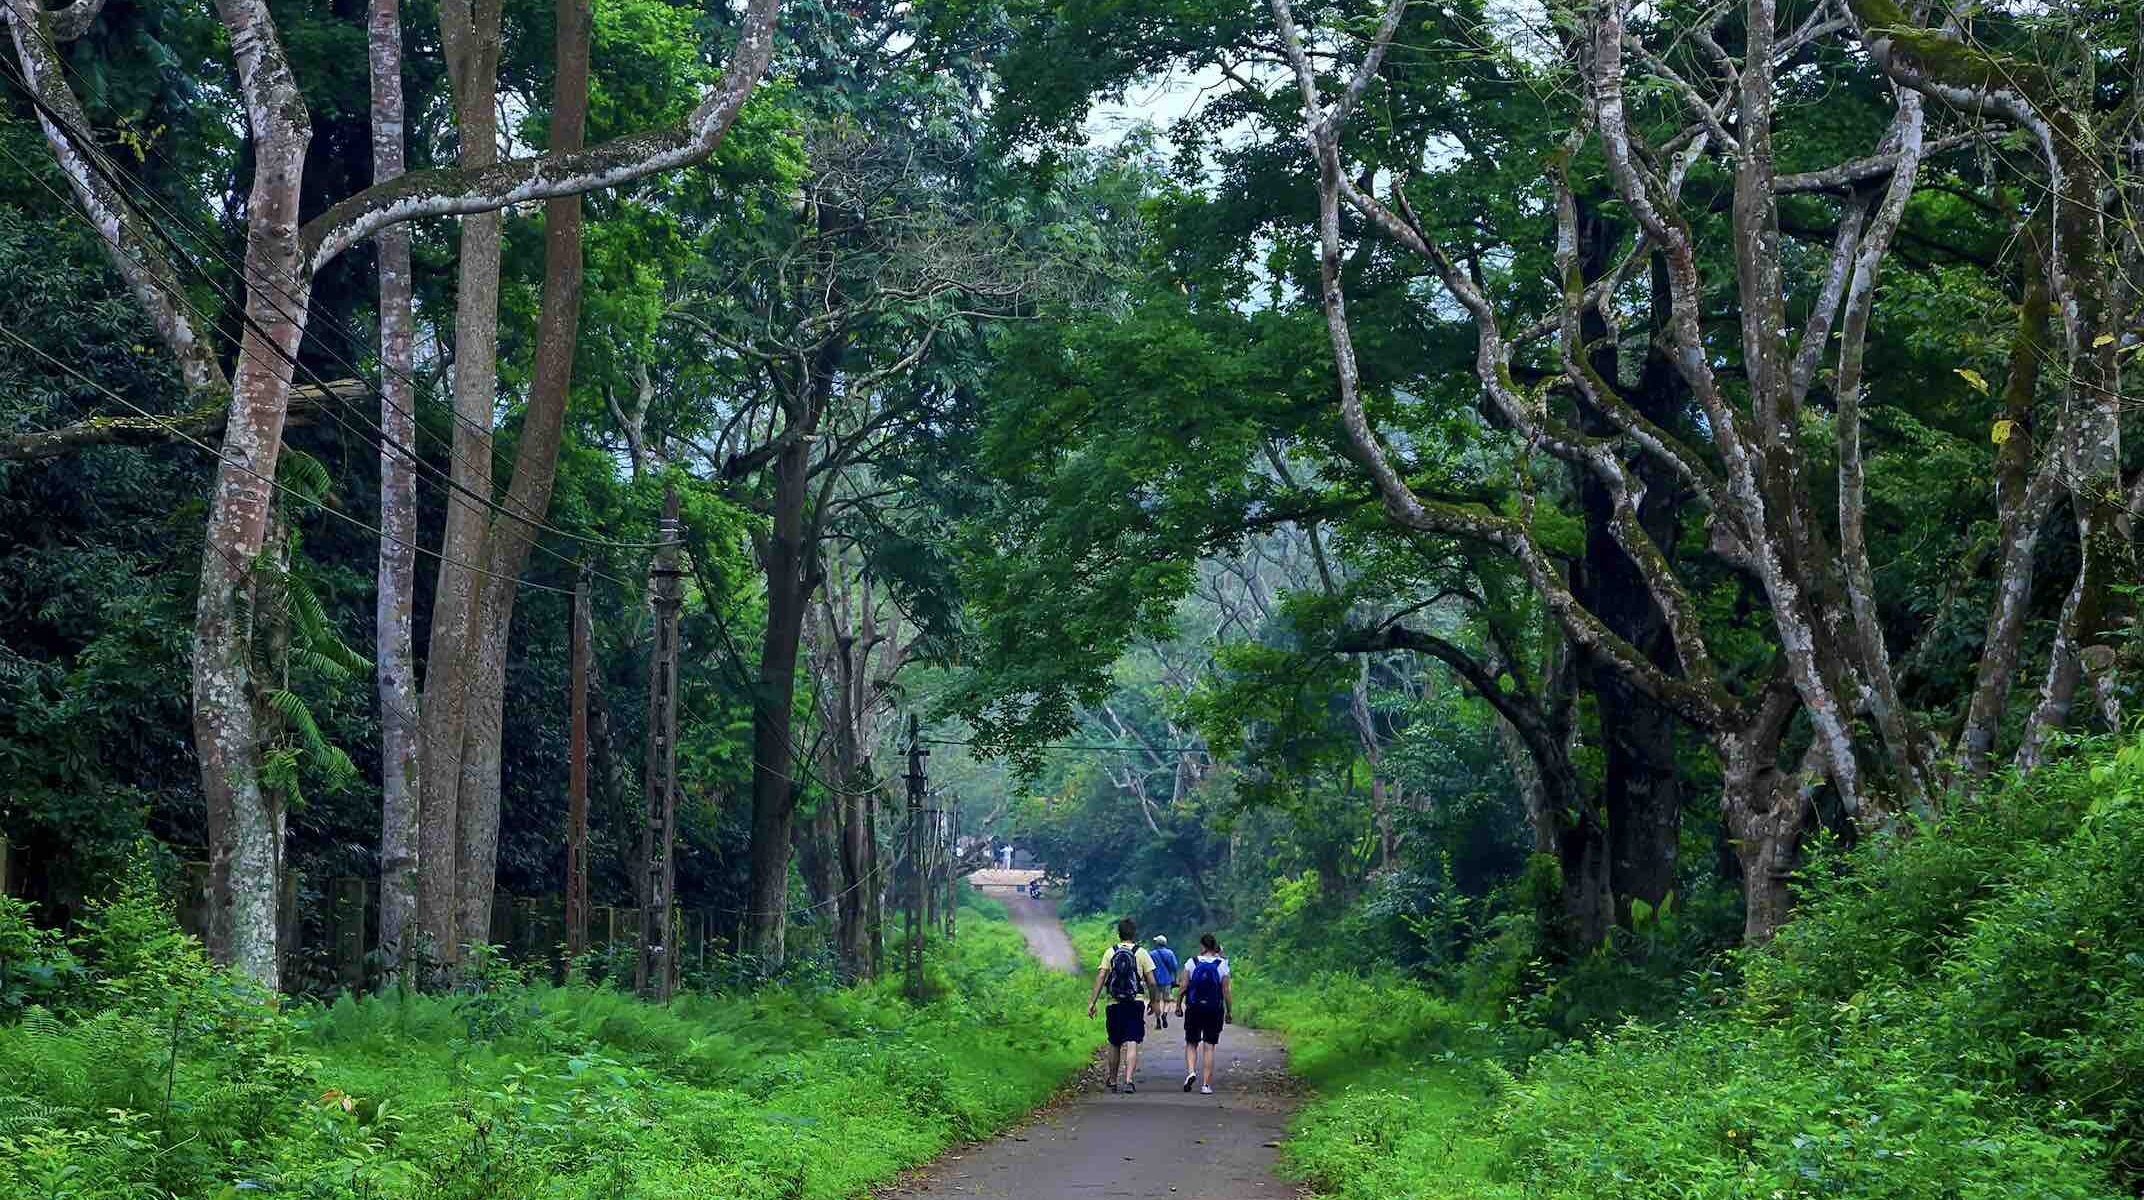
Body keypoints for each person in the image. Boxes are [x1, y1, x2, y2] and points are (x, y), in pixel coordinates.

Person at [1086, 917, 1159, 1093]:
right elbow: (1152, 982)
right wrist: (1154, 1001)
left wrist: (1092, 1002)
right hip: (1135, 1002)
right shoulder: (1142, 953)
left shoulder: (1110, 952)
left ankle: (1112, 1079)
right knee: (1132, 1040)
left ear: (1119, 933)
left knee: (1114, 1042)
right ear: (1134, 933)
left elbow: (1101, 977)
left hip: (1114, 1003)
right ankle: (1128, 1080)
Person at [1175, 933, 1232, 1095]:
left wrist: (1178, 1005)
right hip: (1214, 1009)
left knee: (1191, 1042)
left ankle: (1191, 1072)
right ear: (1214, 947)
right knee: (1209, 1046)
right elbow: (1226, 991)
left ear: (1202, 946)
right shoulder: (1222, 964)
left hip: (1194, 1008)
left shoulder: (1192, 962)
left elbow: (1183, 986)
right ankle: (1206, 1085)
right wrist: (1229, 1011)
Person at [1147, 935, 1180, 1029]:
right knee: (1167, 1000)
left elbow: (1148, 968)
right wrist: (1175, 978)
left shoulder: (1152, 954)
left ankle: (1158, 1021)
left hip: (1155, 981)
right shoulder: (1170, 953)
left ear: (1157, 943)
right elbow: (1175, 967)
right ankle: (1164, 1014)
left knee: (1156, 1001)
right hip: (1167, 980)